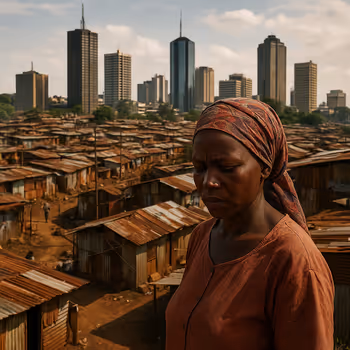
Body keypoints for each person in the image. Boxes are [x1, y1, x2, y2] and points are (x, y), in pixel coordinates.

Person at [166, 98, 334, 350]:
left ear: (265, 167)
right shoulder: (202, 235)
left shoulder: (295, 263)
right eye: (199, 168)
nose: (209, 181)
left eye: (227, 167)